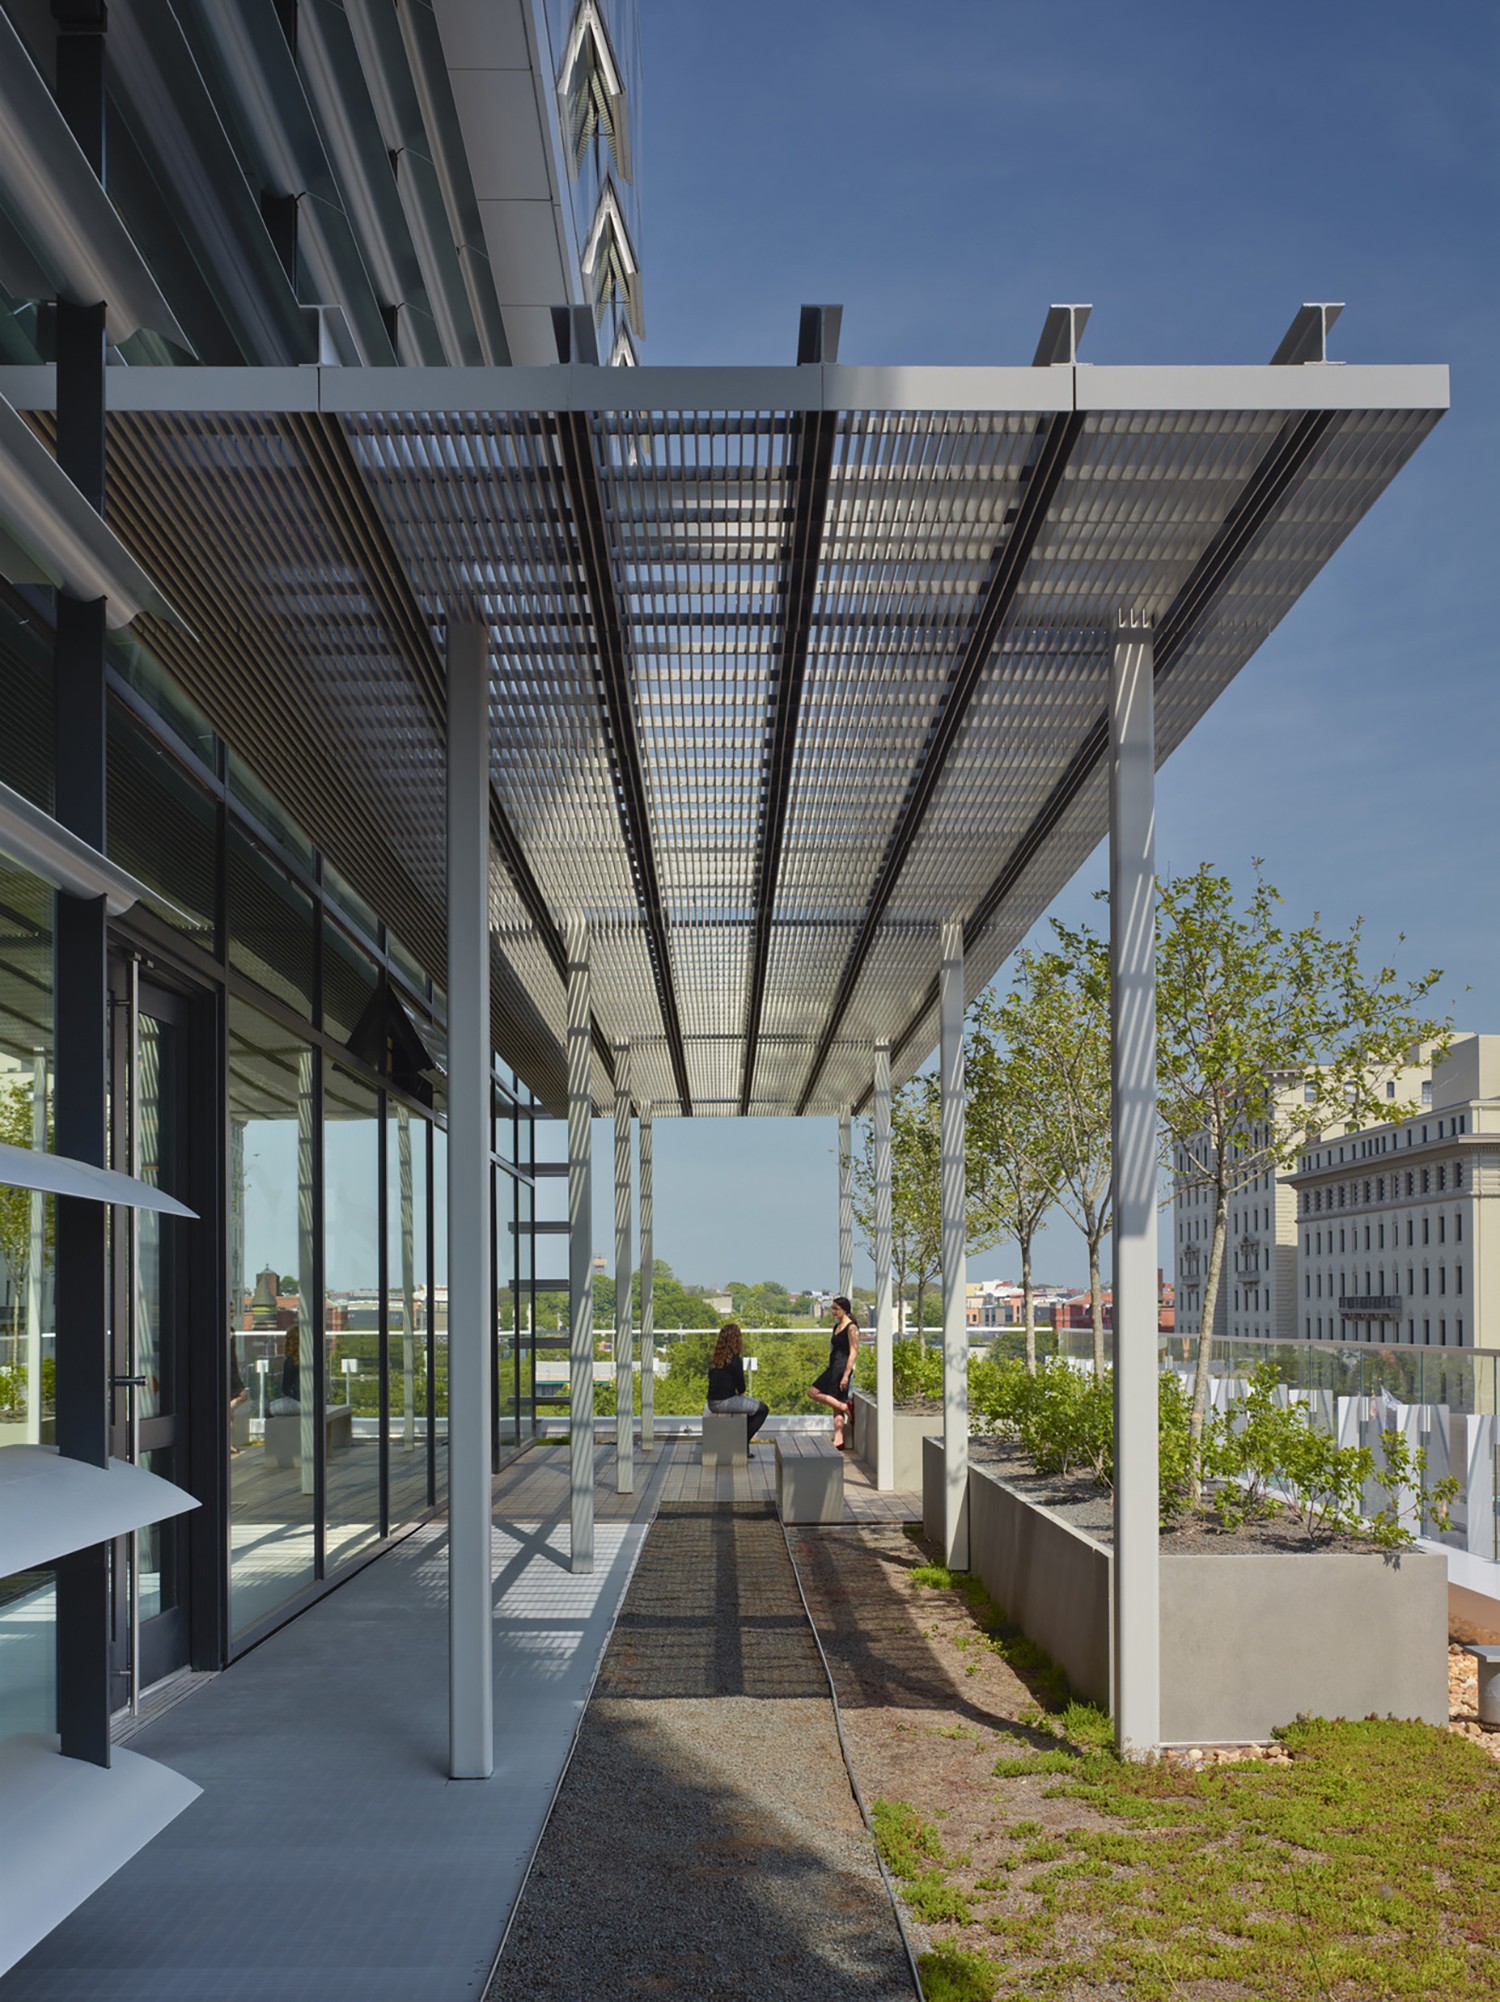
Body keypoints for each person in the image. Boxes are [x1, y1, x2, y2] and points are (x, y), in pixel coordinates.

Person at [705, 1322, 769, 1455]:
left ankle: (741, 1442)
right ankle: (741, 1443)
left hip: (712, 1402)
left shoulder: (715, 1359)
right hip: (724, 1401)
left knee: (748, 1408)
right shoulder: (735, 1360)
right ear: (736, 1340)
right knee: (762, 1409)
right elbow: (741, 1386)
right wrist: (742, 1396)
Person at [808, 1295, 860, 1448]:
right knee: (836, 1404)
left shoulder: (852, 1328)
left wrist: (845, 1375)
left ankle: (845, 1408)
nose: (833, 1312)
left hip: (841, 1368)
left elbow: (854, 1352)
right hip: (833, 1366)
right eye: (832, 1309)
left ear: (844, 1310)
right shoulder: (837, 1327)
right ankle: (839, 1439)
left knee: (812, 1392)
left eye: (836, 1309)